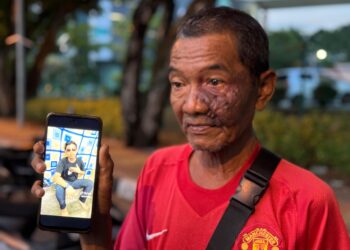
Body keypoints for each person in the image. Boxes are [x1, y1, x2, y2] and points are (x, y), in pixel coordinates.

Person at [31, 6, 350, 250]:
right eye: (178, 83)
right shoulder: (157, 169)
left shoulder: (308, 201)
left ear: (263, 88)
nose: (192, 105)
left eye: (214, 81)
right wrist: (96, 224)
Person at [52, 141, 93, 216]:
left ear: (77, 150)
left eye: (73, 150)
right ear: (65, 151)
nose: (71, 152)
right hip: (64, 182)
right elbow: (55, 178)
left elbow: (83, 172)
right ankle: (63, 208)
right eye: (68, 150)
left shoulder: (80, 161)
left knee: (90, 183)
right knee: (58, 188)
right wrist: (67, 186)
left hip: (75, 181)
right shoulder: (62, 162)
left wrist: (79, 171)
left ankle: (82, 200)